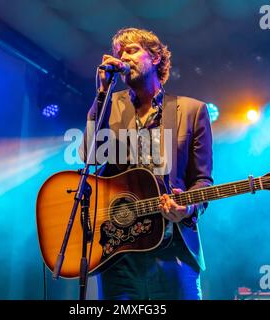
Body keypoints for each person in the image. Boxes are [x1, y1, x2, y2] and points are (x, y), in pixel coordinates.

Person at [81, 27, 213, 300]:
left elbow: (202, 180)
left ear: (155, 58)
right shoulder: (109, 104)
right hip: (118, 253)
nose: (122, 58)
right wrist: (103, 92)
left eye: (131, 50)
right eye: (118, 53)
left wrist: (188, 207)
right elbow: (90, 156)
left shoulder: (191, 110)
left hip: (172, 247)